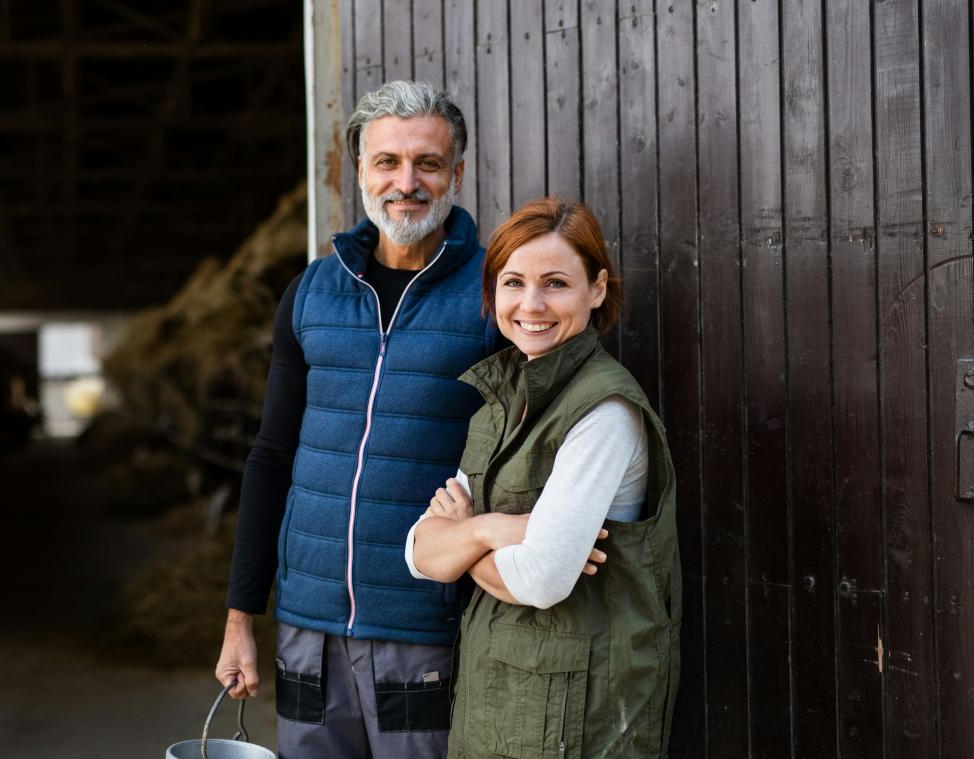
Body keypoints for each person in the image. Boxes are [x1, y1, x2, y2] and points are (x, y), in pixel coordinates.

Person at [215, 80, 501, 758]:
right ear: (358, 173)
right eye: (388, 162)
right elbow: (271, 456)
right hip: (306, 633)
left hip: (423, 626)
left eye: (428, 163)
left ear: (455, 173)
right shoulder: (311, 292)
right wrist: (238, 616)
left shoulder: (497, 296)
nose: (408, 182)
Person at [407, 197, 680, 758]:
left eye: (556, 283)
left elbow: (540, 580)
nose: (531, 304)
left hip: (577, 721)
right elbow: (418, 553)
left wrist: (463, 537)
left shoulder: (604, 412)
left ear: (597, 290)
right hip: (494, 702)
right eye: (513, 282)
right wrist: (491, 531)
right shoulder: (500, 402)